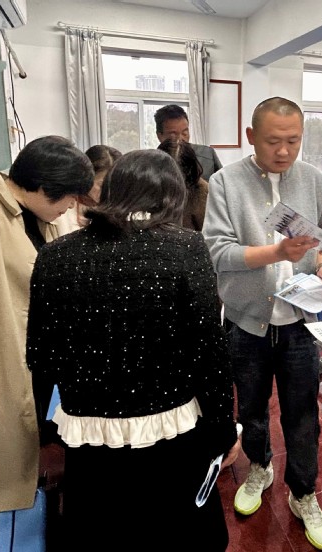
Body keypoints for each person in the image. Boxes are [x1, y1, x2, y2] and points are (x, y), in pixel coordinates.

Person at [26, 149, 240, 551]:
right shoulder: (186, 247)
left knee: (103, 535)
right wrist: (224, 431)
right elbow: (208, 352)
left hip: (88, 438)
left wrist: (43, 431)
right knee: (178, 536)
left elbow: (41, 356)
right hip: (172, 433)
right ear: (172, 198)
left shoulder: (53, 256)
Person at [203, 97, 322, 551]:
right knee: (252, 409)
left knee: (302, 415)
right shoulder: (225, 182)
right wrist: (276, 253)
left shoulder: (312, 179)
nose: (284, 151)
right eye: (273, 141)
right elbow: (216, 251)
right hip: (247, 322)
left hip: (300, 321)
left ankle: (303, 493)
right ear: (251, 137)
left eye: (293, 141)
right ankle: (260, 468)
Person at [0, 135, 93, 518]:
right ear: (45, 187)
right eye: (69, 197)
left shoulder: (41, 218)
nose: (71, 207)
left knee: (19, 437)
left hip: (30, 353)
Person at [53, 144, 122, 234]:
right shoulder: (63, 207)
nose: (109, 192)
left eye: (114, 186)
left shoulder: (120, 208)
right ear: (86, 177)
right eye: (102, 185)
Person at [154, 104, 223, 181]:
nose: (180, 139)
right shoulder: (151, 162)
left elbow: (223, 183)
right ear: (159, 136)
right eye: (173, 134)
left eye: (185, 133)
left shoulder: (207, 154)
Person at [158, 138, 210, 231]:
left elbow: (208, 233)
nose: (174, 181)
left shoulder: (203, 192)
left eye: (179, 174)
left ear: (189, 172)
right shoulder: (150, 188)